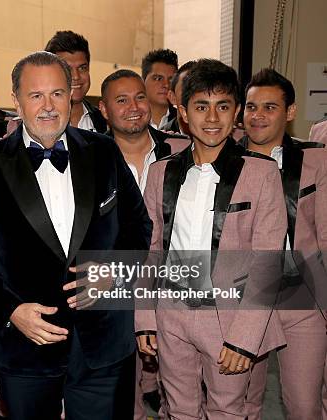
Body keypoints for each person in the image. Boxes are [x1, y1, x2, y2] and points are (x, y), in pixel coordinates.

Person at [0, 51, 152, 420]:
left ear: (71, 95)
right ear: (15, 100)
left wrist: (114, 270)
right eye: (36, 96)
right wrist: (11, 311)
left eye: (57, 94)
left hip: (102, 342)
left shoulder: (104, 151)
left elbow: (138, 227)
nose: (48, 106)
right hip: (24, 345)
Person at [136, 59, 287, 419]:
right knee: (178, 409)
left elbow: (268, 262)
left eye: (223, 106)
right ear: (183, 112)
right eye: (201, 106)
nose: (213, 117)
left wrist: (244, 339)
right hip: (171, 312)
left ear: (236, 112)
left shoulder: (262, 173)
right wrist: (144, 317)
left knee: (227, 410)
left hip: (229, 317)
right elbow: (150, 249)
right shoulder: (162, 172)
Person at [99, 68, 189, 418]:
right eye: (121, 100)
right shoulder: (88, 157)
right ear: (104, 110)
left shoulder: (182, 149)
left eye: (139, 96)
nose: (133, 106)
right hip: (112, 284)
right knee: (121, 388)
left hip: (174, 281)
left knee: (179, 386)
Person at [240, 68, 327, 420]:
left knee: (303, 407)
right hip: (242, 293)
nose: (257, 115)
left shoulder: (316, 160)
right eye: (250, 107)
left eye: (270, 107)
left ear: (290, 112)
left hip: (302, 293)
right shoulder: (223, 162)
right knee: (239, 405)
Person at [44, 30, 108, 133]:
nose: (76, 76)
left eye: (82, 68)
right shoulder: (36, 121)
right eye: (67, 69)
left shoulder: (105, 120)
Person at [141, 48, 178, 130]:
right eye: (158, 78)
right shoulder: (131, 118)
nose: (166, 85)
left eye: (171, 80)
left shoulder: (184, 123)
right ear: (142, 82)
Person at [162, 60, 197, 136]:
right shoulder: (159, 140)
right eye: (187, 89)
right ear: (172, 97)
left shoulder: (225, 137)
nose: (194, 96)